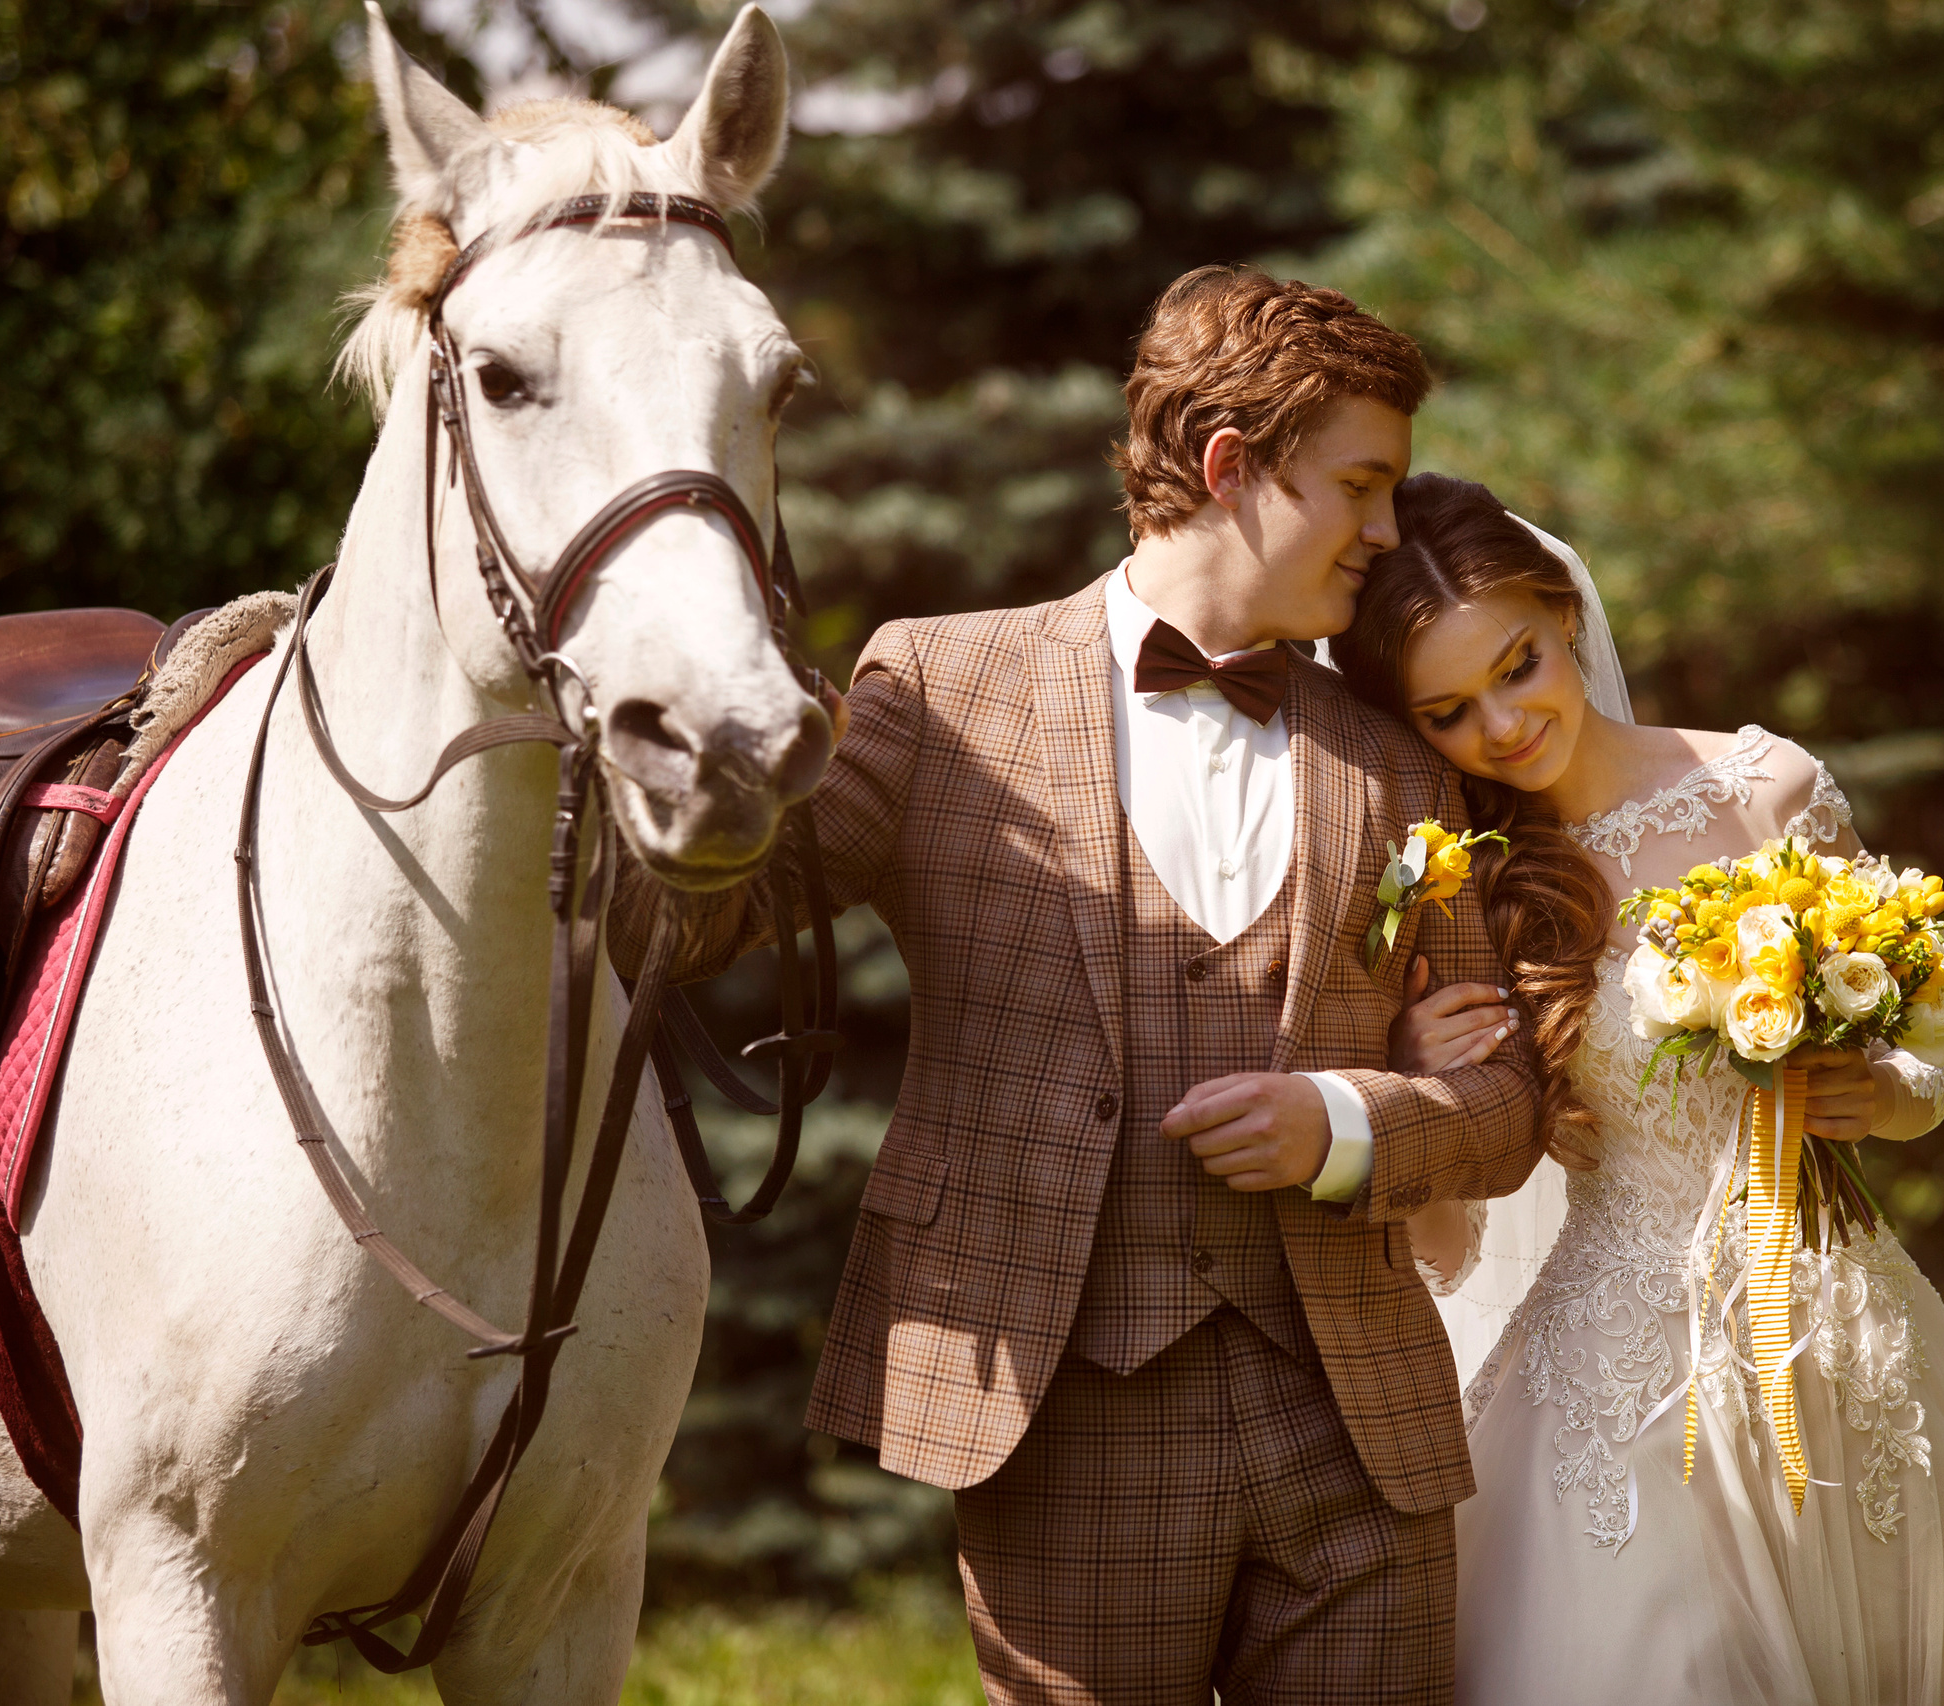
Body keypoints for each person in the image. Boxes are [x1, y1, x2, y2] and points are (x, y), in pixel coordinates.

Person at [627, 272, 1541, 1702]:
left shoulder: (1399, 758)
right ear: (1232, 466)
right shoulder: (941, 687)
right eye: (1362, 486)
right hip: (1064, 1416)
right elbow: (708, 916)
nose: (1385, 531)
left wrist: (1351, 1122)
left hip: (1361, 1426)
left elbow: (1507, 1104)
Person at [1335, 473, 1944, 1705]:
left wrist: (1880, 1092)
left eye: (1517, 665)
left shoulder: (1764, 787)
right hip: (1624, 1378)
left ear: (1563, 612)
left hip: (1845, 1337)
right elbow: (1452, 1238)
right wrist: (1421, 1085)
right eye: (1450, 710)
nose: (1504, 725)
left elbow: (1925, 1052)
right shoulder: (1467, 884)